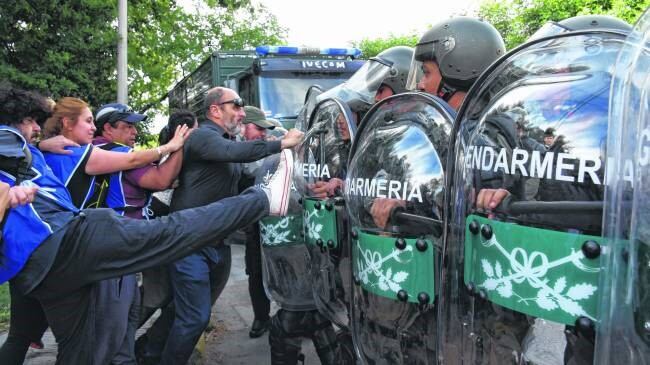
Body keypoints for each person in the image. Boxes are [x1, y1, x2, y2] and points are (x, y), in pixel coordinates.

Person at [0, 86, 296, 364]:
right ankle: (264, 199)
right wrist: (173, 146)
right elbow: (156, 177)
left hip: (40, 267)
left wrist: (38, 144)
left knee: (81, 347)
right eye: (126, 125)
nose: (134, 131)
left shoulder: (42, 149)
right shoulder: (18, 140)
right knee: (173, 234)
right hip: (70, 241)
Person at [158, 87, 304, 365]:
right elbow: (234, 152)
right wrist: (281, 144)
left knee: (186, 313)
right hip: (190, 240)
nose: (240, 114)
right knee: (194, 318)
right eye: (235, 107)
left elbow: (248, 174)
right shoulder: (203, 137)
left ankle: (149, 352)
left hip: (216, 242)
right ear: (215, 110)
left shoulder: (224, 141)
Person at [240, 106, 277, 338]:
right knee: (255, 271)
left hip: (276, 218)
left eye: (265, 130)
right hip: (254, 223)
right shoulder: (235, 148)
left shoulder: (265, 146)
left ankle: (296, 316)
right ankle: (261, 318)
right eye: (258, 129)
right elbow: (251, 169)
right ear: (244, 128)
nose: (263, 134)